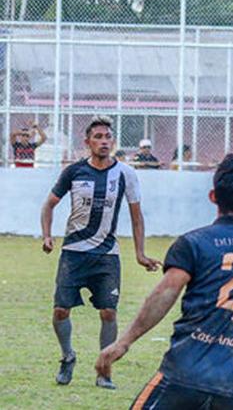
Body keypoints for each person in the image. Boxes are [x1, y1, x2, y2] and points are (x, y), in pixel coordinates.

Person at [96, 154, 233, 409]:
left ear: (213, 196)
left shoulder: (194, 244)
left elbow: (165, 292)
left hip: (184, 375)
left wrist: (124, 342)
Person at [40, 116, 161, 389]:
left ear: (113, 141)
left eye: (108, 137)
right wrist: (47, 235)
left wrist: (140, 254)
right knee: (60, 310)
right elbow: (48, 205)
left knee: (108, 312)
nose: (104, 141)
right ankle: (67, 356)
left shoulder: (126, 174)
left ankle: (104, 371)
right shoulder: (73, 172)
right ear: (87, 142)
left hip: (107, 256)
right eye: (98, 137)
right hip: (73, 253)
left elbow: (137, 217)